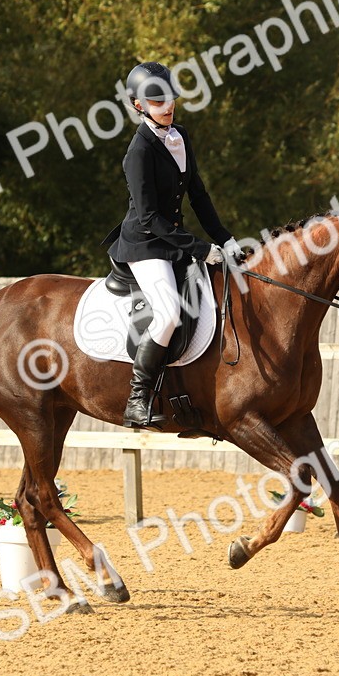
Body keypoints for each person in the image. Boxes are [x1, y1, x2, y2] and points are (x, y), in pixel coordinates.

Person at [101, 61, 242, 429]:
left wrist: (225, 238)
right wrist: (200, 248)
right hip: (145, 245)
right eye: (157, 102)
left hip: (173, 241)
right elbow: (149, 218)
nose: (167, 107)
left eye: (170, 99)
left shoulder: (180, 136)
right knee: (167, 314)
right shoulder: (139, 151)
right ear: (138, 105)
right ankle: (137, 399)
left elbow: (199, 195)